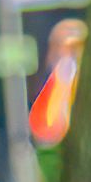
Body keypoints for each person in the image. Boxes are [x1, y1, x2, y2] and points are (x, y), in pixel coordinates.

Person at [22, 16, 78, 171]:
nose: (63, 52)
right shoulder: (55, 72)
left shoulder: (70, 70)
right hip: (51, 137)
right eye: (59, 46)